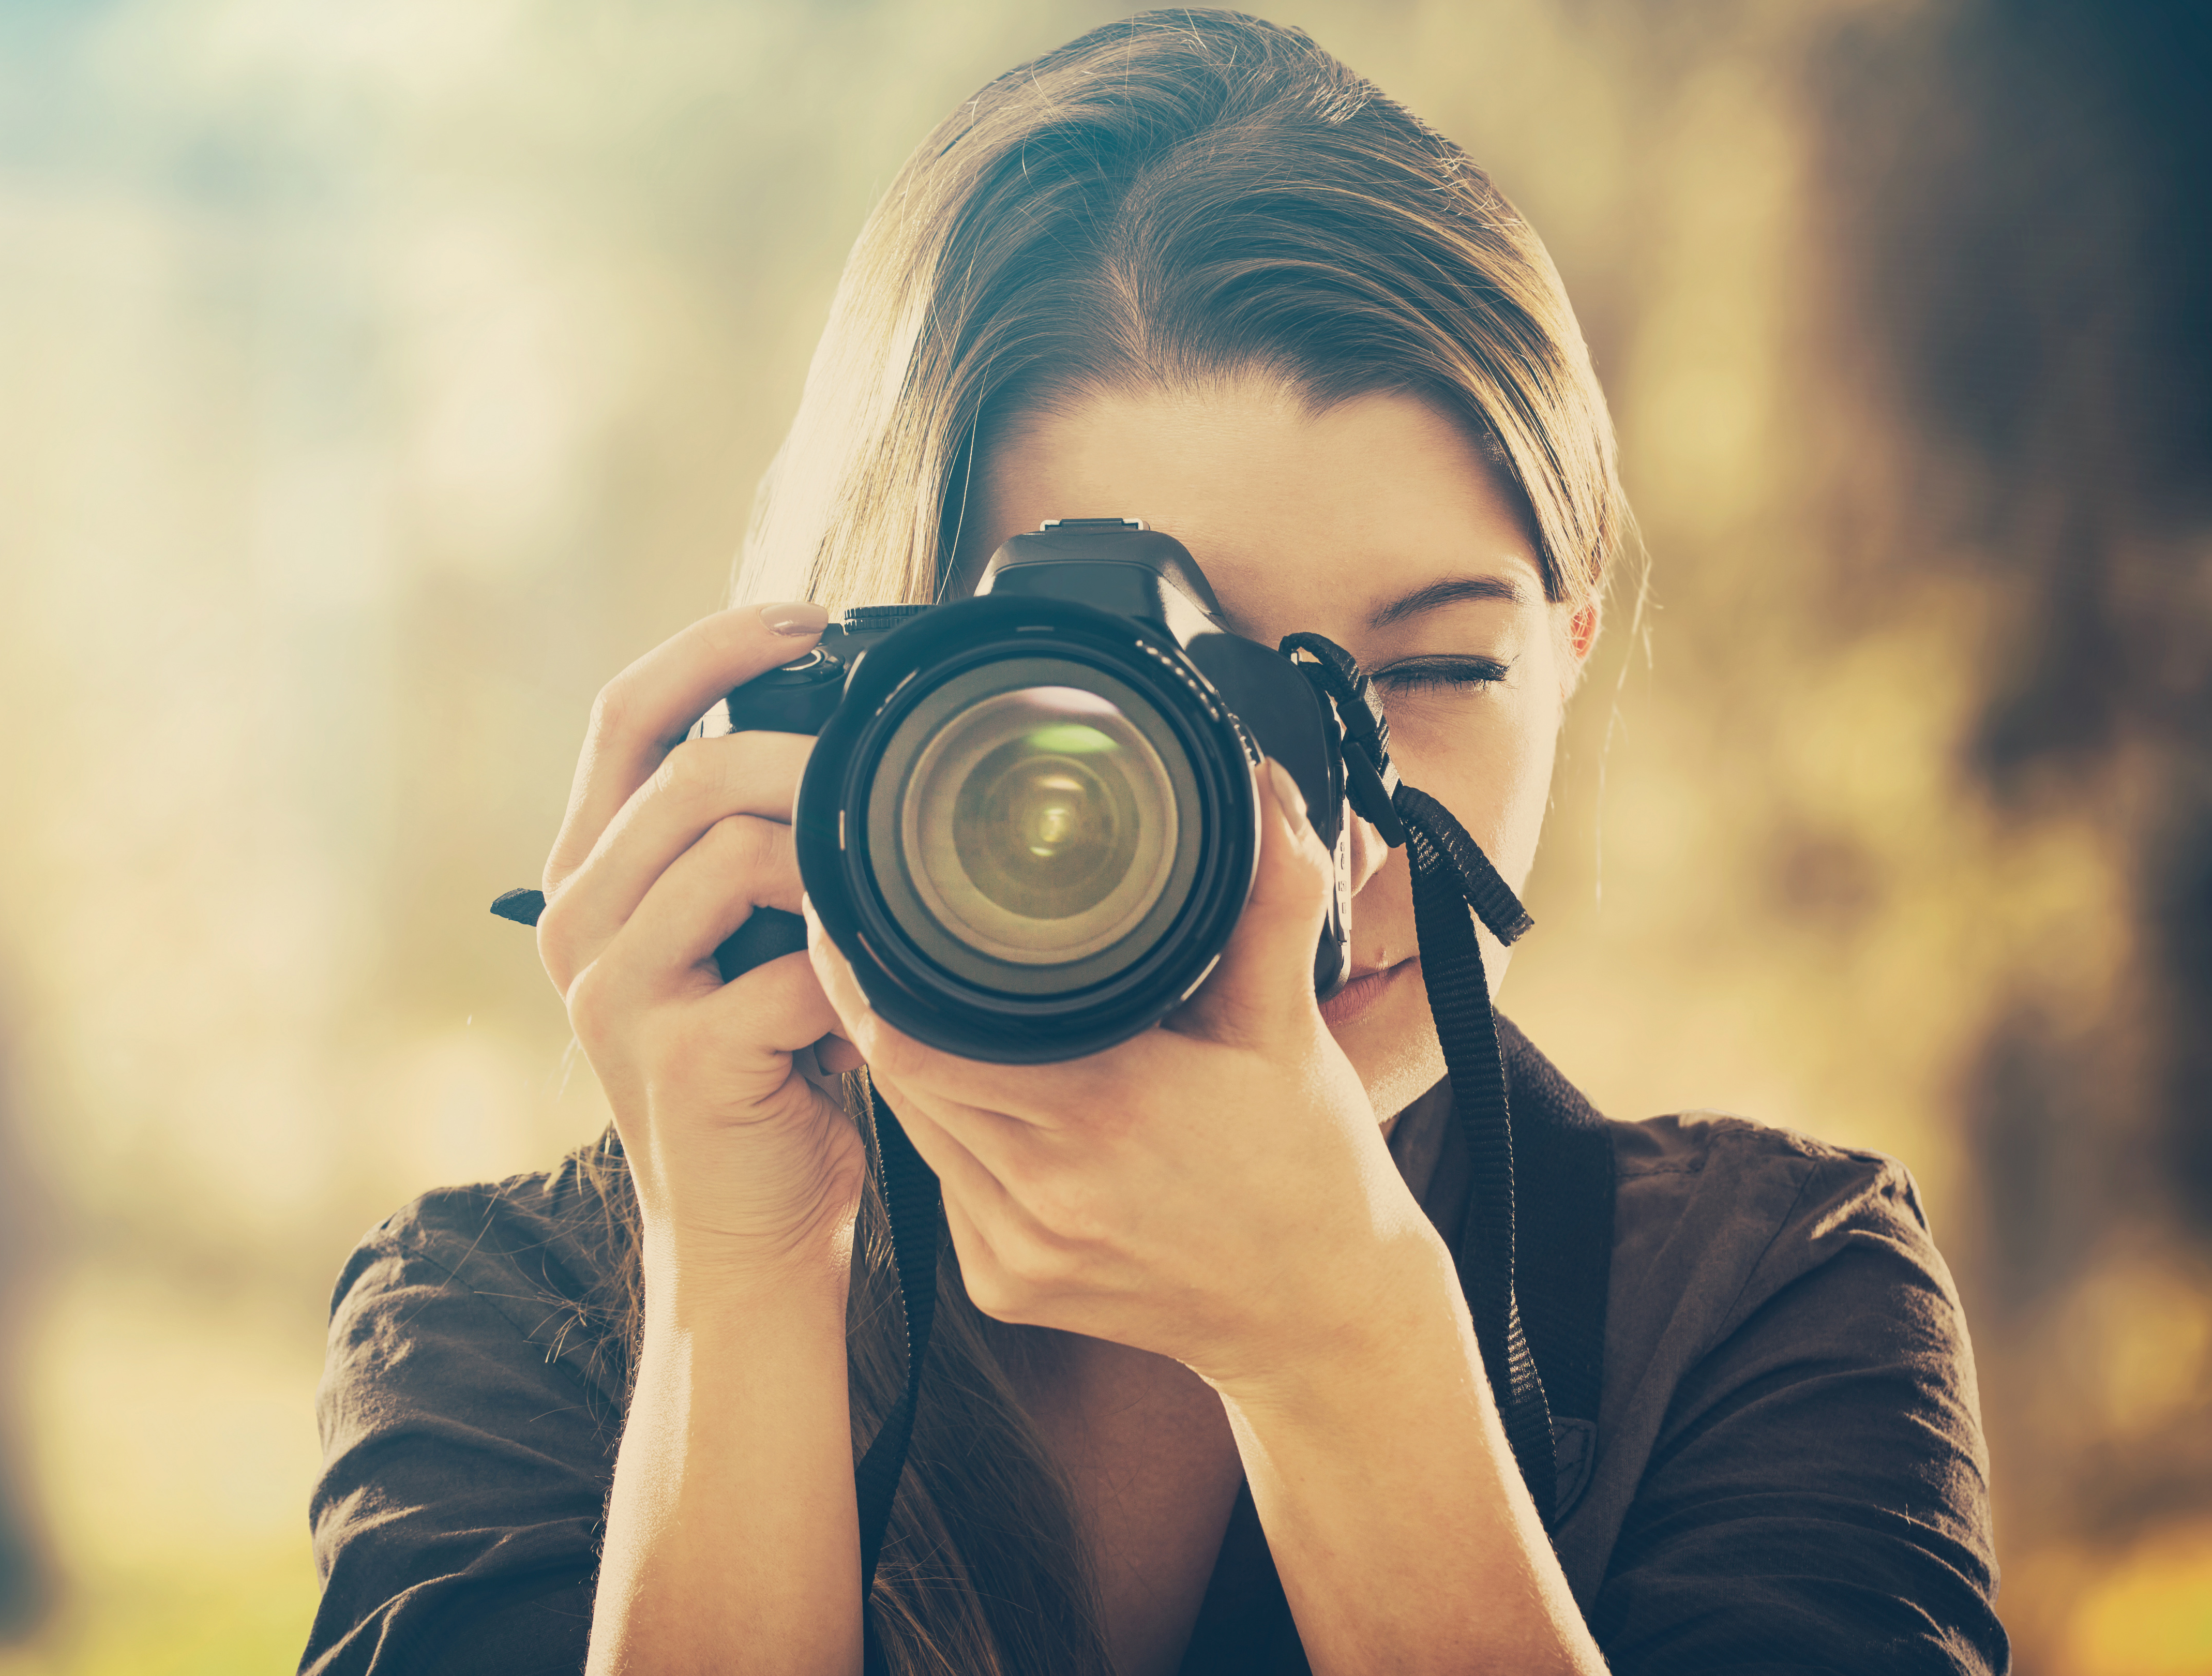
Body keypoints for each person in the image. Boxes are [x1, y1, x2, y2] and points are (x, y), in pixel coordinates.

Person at [302, 12, 2004, 1673]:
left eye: (1421, 676)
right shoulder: (511, 1331)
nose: (1312, 870)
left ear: (1566, 647)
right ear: (865, 713)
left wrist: (1348, 1349)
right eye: (1149, 705)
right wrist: (741, 1287)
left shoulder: (1767, 1301)